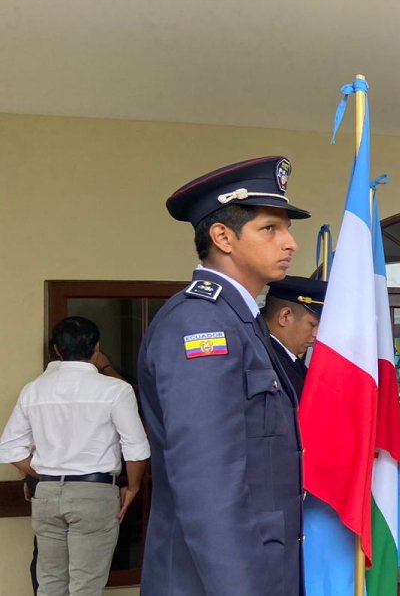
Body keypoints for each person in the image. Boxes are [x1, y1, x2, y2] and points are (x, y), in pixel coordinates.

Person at [137, 155, 309, 596]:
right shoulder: (202, 325)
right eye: (270, 229)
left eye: (287, 228)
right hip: (220, 579)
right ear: (222, 237)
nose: (289, 243)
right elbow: (208, 483)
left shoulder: (241, 321)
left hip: (261, 566)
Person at [0, 316, 150, 596]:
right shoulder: (115, 390)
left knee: (50, 583)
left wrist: (48, 473)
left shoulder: (34, 389)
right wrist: (133, 486)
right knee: (86, 586)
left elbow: (10, 448)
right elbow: (136, 447)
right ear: (97, 348)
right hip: (93, 493)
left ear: (57, 349)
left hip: (46, 493)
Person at [264, 274, 327, 395]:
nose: (317, 334)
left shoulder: (287, 358)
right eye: (313, 324)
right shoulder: (266, 362)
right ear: (285, 316)